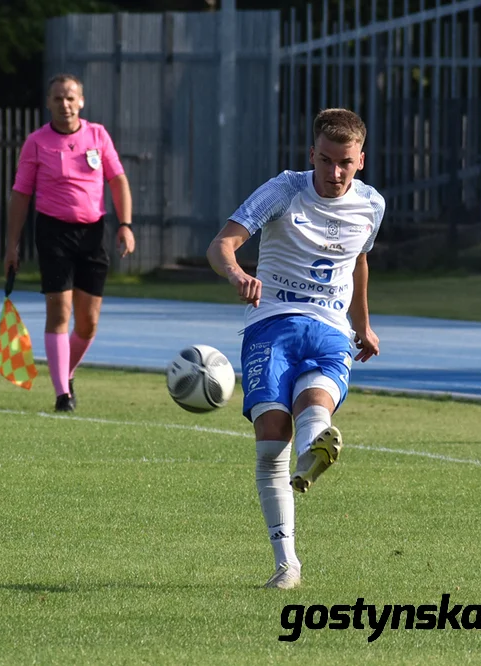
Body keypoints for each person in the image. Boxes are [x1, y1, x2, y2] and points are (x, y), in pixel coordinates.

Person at [206, 108, 384, 590]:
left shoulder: (372, 205)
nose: (334, 173)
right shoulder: (284, 189)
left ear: (360, 160)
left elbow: (359, 260)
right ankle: (289, 562)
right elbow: (221, 244)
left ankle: (314, 457)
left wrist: (362, 324)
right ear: (312, 154)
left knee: (311, 406)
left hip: (329, 328)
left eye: (344, 162)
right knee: (271, 441)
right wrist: (239, 273)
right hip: (273, 322)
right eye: (325, 161)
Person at [4, 74, 136, 412]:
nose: (65, 104)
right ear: (48, 104)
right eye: (58, 99)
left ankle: (66, 373)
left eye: (70, 98)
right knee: (59, 311)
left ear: (81, 102)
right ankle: (63, 395)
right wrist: (12, 245)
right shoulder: (37, 142)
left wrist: (125, 225)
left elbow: (117, 180)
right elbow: (21, 195)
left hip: (92, 233)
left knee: (88, 322)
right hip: (53, 233)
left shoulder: (97, 135)